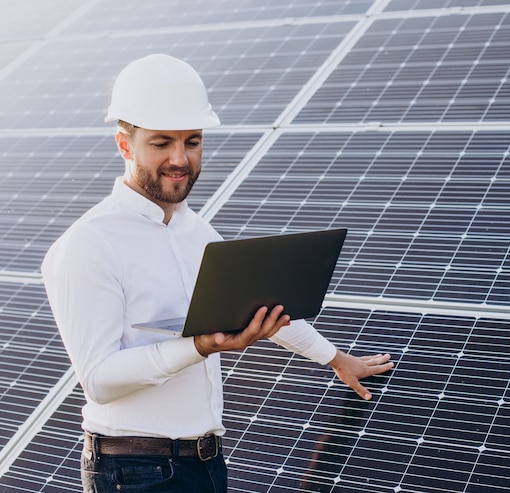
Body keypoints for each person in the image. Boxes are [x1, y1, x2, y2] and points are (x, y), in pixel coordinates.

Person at [41, 54, 393, 493]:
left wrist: (337, 360)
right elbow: (99, 381)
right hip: (134, 470)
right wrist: (200, 346)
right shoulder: (89, 243)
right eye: (161, 142)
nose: (180, 158)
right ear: (124, 144)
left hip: (205, 462)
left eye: (192, 141)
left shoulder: (198, 232)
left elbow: (264, 307)